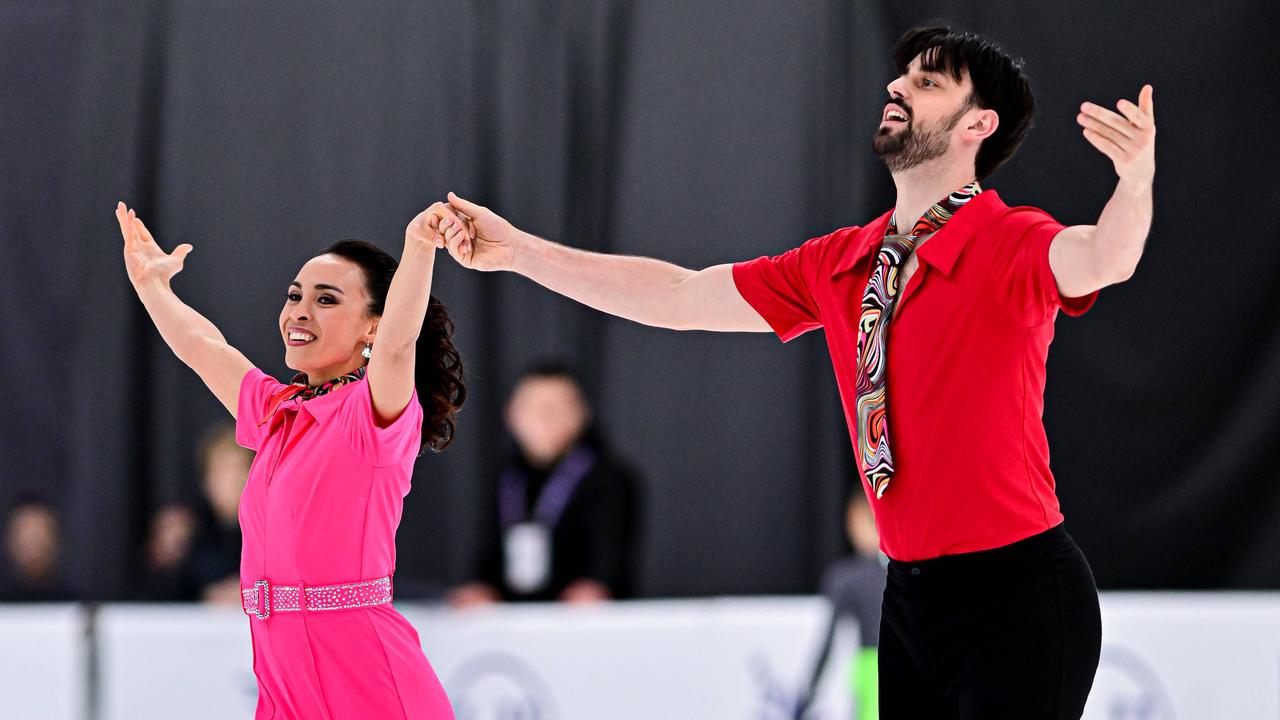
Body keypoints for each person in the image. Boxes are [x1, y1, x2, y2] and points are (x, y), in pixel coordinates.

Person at [433, 24, 1155, 719]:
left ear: (978, 125)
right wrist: (520, 252)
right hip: (907, 595)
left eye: (926, 81)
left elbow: (1104, 259)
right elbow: (678, 296)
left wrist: (1135, 180)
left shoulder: (1010, 240)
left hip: (1019, 589)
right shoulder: (838, 262)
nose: (897, 87)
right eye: (900, 75)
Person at [115, 199, 466, 719]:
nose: (299, 311)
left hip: (365, 678)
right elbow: (202, 345)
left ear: (373, 326)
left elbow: (398, 347)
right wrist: (151, 286)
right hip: (283, 681)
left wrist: (419, 247)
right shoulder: (278, 411)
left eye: (326, 300)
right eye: (295, 295)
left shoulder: (369, 414)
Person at [449, 363, 640, 607]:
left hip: (583, 622)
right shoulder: (505, 476)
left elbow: (610, 562)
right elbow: (487, 553)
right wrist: (480, 588)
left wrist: (596, 587)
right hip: (510, 619)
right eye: (532, 408)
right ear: (511, 414)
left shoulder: (609, 478)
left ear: (581, 413)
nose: (543, 419)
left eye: (556, 408)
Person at [0, 495, 74, 602]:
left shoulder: (77, 607)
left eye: (40, 533)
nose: (34, 543)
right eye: (26, 534)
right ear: (10, 540)